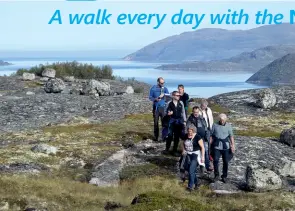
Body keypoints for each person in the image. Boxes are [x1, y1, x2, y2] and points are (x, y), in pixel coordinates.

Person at [210, 113, 235, 183]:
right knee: (215, 160)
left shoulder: (229, 126)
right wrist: (209, 144)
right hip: (216, 146)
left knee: (226, 162)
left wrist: (233, 145)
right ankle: (216, 175)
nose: (222, 121)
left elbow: (231, 136)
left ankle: (224, 176)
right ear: (219, 119)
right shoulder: (214, 125)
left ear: (225, 120)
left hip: (225, 146)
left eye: (223, 120)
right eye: (221, 120)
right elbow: (211, 135)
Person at [187, 106, 213, 172]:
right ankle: (196, 167)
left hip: (203, 138)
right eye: (195, 112)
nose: (196, 113)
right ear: (192, 112)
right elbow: (188, 128)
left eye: (197, 112)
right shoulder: (190, 119)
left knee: (205, 152)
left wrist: (207, 136)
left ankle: (207, 166)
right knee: (196, 153)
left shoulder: (202, 118)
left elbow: (205, 127)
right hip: (195, 139)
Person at [180, 126, 205, 191]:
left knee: (191, 170)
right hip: (187, 154)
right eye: (188, 131)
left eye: (190, 131)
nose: (189, 133)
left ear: (193, 131)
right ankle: (197, 182)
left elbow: (202, 147)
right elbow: (182, 143)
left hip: (195, 155)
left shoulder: (198, 137)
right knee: (188, 169)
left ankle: (190, 187)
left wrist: (202, 157)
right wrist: (183, 150)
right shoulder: (186, 136)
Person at [163, 91, 186, 156]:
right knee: (169, 135)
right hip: (171, 121)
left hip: (179, 122)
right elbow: (165, 111)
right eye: (177, 95)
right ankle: (167, 149)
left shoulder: (181, 103)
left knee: (177, 136)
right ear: (173, 96)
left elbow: (183, 112)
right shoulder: (169, 103)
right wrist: (168, 113)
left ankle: (174, 150)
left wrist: (184, 121)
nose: (179, 96)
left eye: (179, 95)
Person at [149, 77, 169, 141]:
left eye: (163, 83)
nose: (163, 84)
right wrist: (155, 99)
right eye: (161, 83)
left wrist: (165, 98)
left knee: (164, 123)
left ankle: (164, 136)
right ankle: (156, 137)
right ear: (158, 82)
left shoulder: (165, 89)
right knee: (156, 122)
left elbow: (168, 97)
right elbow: (150, 97)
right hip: (156, 108)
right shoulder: (153, 88)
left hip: (163, 108)